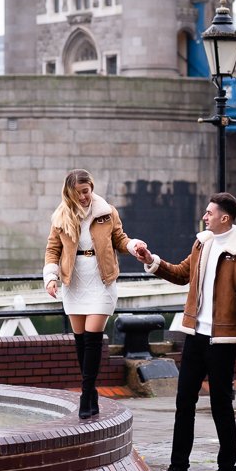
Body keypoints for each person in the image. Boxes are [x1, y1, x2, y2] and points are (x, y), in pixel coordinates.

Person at [135, 192, 236, 471]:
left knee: (221, 405)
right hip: (194, 334)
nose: (205, 217)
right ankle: (178, 469)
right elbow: (182, 274)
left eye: (209, 212)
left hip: (222, 339)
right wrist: (152, 261)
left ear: (225, 217)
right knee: (184, 402)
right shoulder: (202, 242)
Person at [44, 169, 146, 419]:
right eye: (78, 193)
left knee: (92, 338)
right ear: (70, 193)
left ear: (91, 188)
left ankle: (86, 391)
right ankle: (91, 395)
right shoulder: (61, 216)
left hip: (102, 280)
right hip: (74, 281)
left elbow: (120, 240)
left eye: (86, 191)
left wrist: (134, 246)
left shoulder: (107, 212)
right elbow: (52, 250)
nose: (83, 197)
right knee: (81, 342)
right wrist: (51, 277)